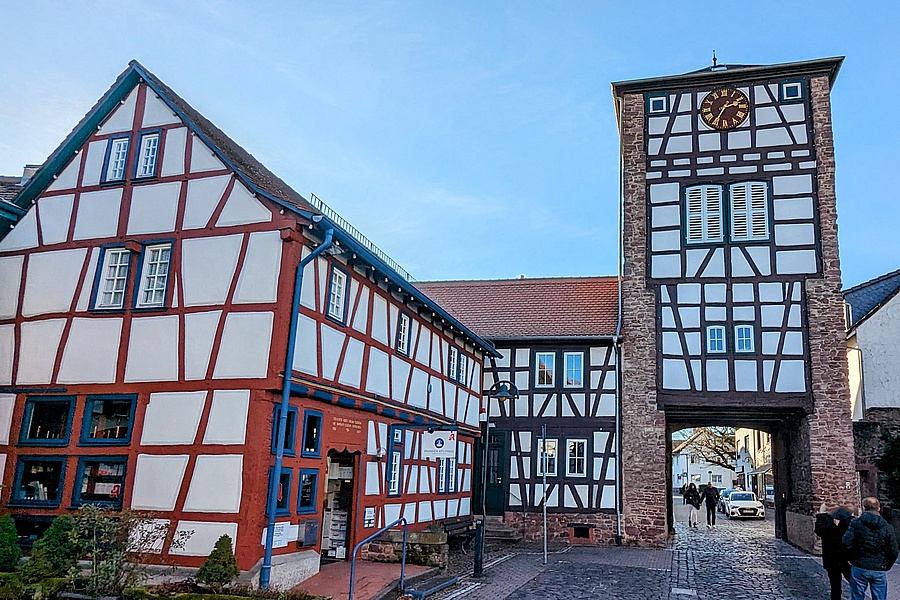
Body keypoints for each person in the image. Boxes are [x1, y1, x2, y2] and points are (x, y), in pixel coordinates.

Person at [842, 497, 899, 600]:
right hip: (878, 567)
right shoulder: (887, 527)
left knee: (857, 596)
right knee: (880, 597)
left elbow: (846, 543)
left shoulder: (855, 523)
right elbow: (893, 550)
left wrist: (851, 559)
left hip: (859, 565)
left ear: (864, 508)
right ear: (878, 508)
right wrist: (886, 565)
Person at [815, 505, 853, 600]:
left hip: (832, 558)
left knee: (835, 586)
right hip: (845, 558)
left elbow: (819, 530)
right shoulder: (850, 523)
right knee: (854, 583)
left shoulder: (826, 524)